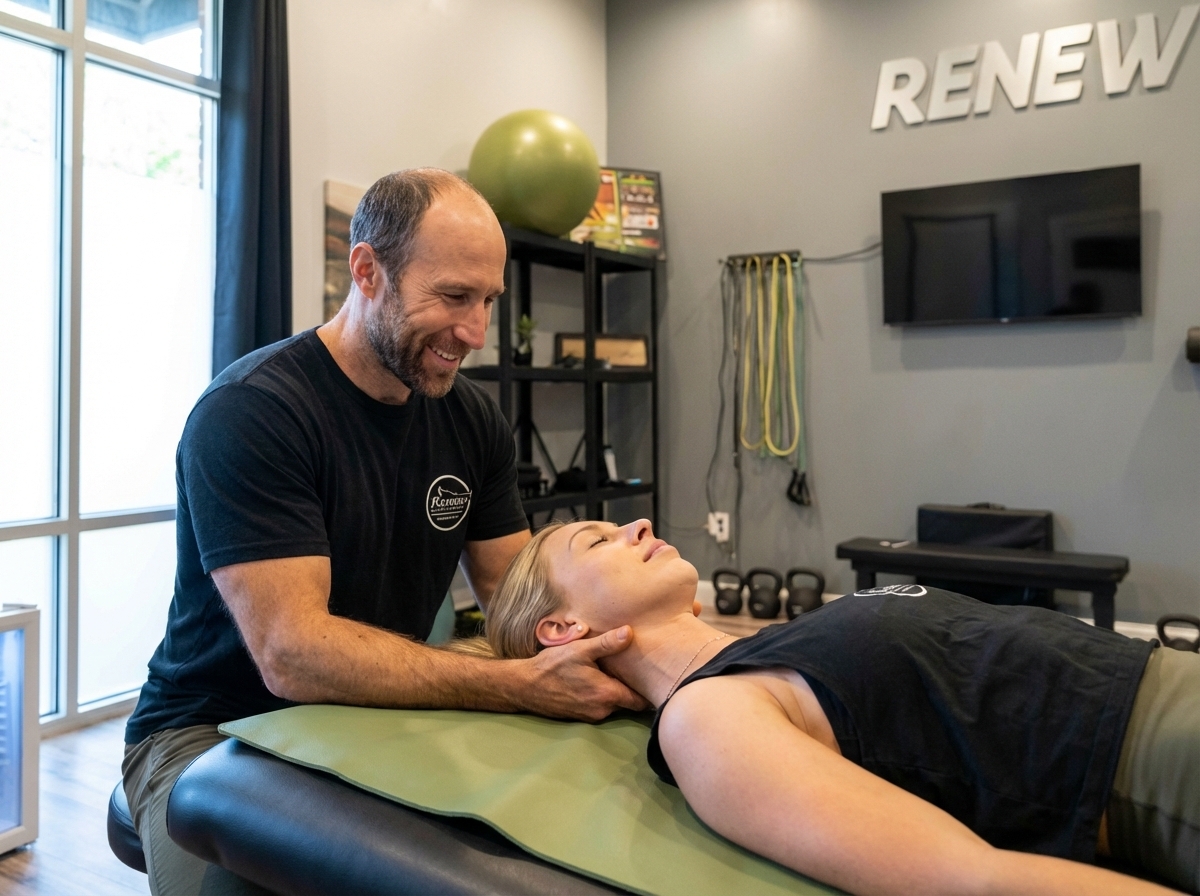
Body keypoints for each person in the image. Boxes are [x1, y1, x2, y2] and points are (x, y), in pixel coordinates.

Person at [121, 169, 645, 895]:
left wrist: (637, 649)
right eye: (454, 296)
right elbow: (293, 655)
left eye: (488, 300)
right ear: (367, 270)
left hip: (367, 716)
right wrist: (512, 684)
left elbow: (523, 601)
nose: (475, 332)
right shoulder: (253, 413)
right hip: (209, 731)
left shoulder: (472, 422)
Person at [476, 518, 1200, 896]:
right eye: (598, 540)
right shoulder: (707, 719)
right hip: (1155, 756)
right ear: (563, 629)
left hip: (1165, 681)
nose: (636, 526)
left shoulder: (770, 645)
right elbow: (965, 879)